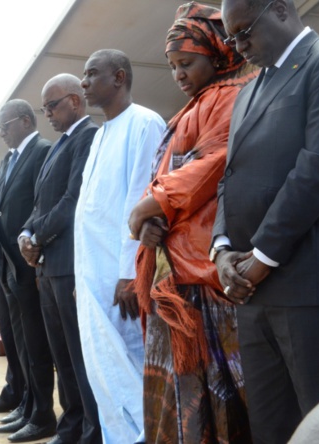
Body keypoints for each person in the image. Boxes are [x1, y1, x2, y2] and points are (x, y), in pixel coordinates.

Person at [213, 0, 319, 441]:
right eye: (231, 37)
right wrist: (222, 247)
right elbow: (231, 177)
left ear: (281, 10)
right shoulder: (249, 89)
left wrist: (263, 256)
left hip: (312, 286)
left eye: (245, 31)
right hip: (252, 289)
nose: (239, 45)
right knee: (271, 426)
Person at [126, 3, 256, 442]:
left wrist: (153, 204)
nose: (178, 74)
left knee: (221, 394)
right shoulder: (195, 104)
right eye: (173, 66)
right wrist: (150, 219)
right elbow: (165, 174)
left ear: (217, 53)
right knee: (183, 392)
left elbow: (215, 162)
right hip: (178, 269)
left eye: (186, 63)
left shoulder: (233, 94)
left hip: (206, 272)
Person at [74, 49, 165, 443]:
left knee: (130, 364)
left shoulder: (144, 123)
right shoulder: (100, 135)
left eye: (92, 74)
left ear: (120, 77)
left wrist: (130, 273)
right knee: (103, 371)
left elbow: (138, 202)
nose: (84, 82)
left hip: (121, 277)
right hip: (92, 274)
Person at [19, 73, 101, 444]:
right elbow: (40, 204)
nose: (47, 113)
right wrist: (26, 234)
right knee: (62, 356)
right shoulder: (58, 145)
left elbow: (74, 199)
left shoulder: (89, 137)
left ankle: (91, 430)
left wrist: (37, 235)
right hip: (49, 266)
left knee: (81, 358)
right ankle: (71, 426)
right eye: (44, 107)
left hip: (70, 266)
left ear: (76, 101)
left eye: (52, 105)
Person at [0, 99, 55, 443]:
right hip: (3, 263)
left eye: (5, 125)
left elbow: (43, 204)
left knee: (34, 342)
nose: (1, 132)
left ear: (26, 121)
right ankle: (24, 400)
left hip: (26, 263)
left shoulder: (42, 151)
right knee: (14, 340)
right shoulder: (11, 158)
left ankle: (41, 413)